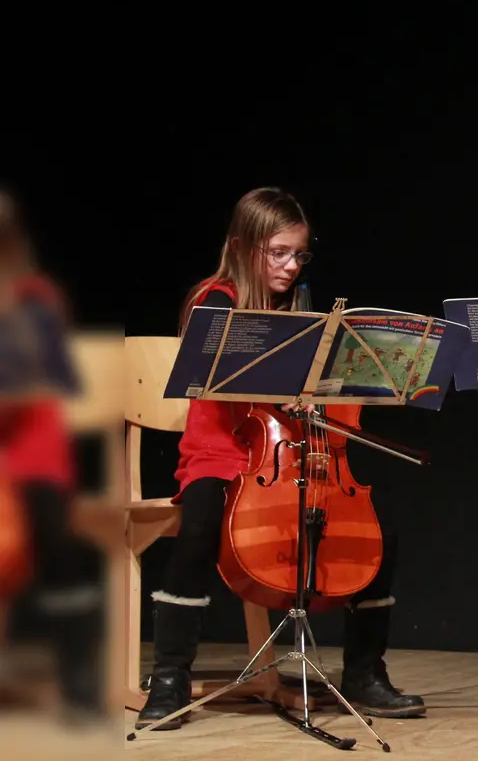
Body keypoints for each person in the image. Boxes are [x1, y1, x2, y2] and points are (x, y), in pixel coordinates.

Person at [136, 187, 425, 730]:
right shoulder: (214, 300)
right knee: (199, 519)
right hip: (220, 452)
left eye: (299, 254)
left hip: (291, 452)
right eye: (279, 253)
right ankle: (170, 676)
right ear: (245, 246)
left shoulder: (300, 308)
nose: (291, 265)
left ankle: (365, 674)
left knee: (374, 532)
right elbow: (221, 382)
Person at [0, 190, 102, 718]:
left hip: (30, 449)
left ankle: (78, 676)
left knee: (52, 536)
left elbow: (52, 380)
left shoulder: (36, 298)